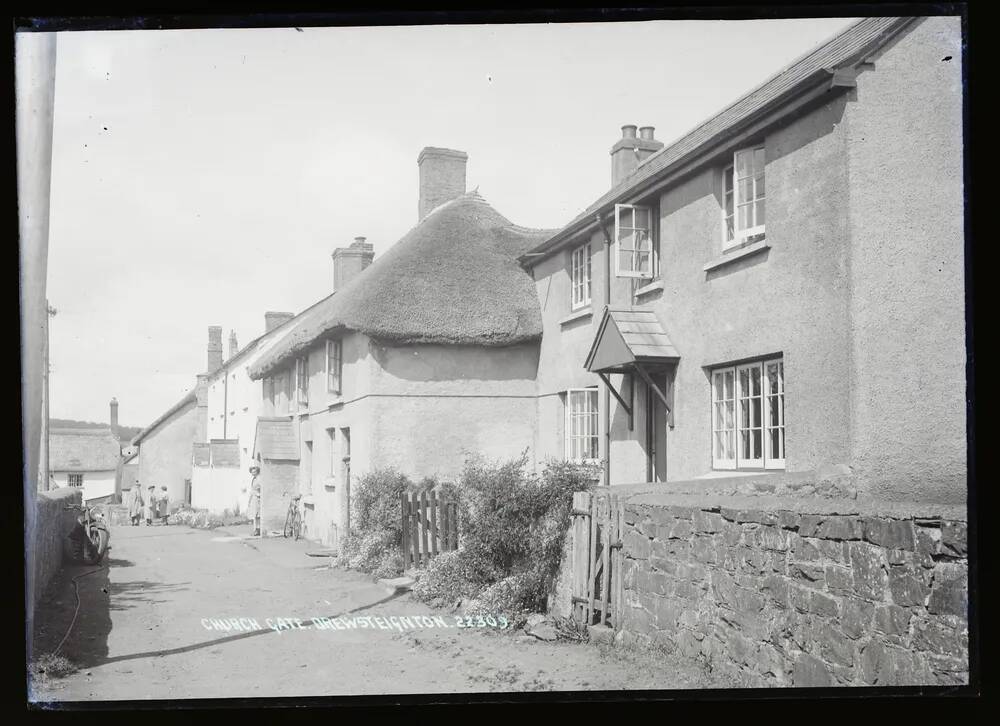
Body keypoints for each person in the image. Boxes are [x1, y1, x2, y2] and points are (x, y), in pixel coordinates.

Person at [246, 465, 261, 537]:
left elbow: (261, 488)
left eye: (254, 472)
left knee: (257, 514)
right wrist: (249, 500)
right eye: (252, 472)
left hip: (257, 498)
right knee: (254, 514)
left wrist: (259, 494)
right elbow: (252, 490)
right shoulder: (254, 479)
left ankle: (258, 529)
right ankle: (256, 529)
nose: (252, 473)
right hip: (254, 497)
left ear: (257, 472)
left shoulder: (259, 479)